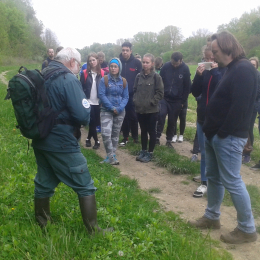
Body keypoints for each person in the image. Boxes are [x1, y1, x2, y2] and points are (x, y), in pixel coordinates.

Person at [32, 47, 112, 234]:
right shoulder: (67, 79)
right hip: (61, 140)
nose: (78, 67)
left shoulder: (42, 74)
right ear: (71, 61)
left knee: (44, 181)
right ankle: (93, 229)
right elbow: (82, 114)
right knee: (84, 183)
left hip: (40, 138)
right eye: (78, 63)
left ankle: (43, 223)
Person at [189, 31, 258, 244]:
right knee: (215, 178)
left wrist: (222, 134)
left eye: (216, 51)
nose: (214, 56)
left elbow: (241, 107)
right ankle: (212, 217)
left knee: (232, 181)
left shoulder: (244, 69)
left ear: (227, 48)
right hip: (215, 134)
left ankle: (247, 229)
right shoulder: (231, 69)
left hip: (227, 137)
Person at [191, 46, 225, 198]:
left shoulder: (224, 71)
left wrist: (215, 71)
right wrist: (198, 76)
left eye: (212, 58)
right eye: (206, 59)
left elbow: (221, 90)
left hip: (217, 120)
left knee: (217, 153)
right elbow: (195, 92)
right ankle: (204, 182)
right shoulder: (202, 72)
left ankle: (216, 181)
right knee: (204, 152)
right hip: (202, 117)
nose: (209, 62)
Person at [156, 52, 191, 148]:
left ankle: (169, 140)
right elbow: (159, 80)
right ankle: (157, 137)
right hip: (164, 97)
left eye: (176, 63)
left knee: (172, 120)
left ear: (181, 61)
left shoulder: (185, 69)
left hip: (177, 100)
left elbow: (187, 87)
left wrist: (183, 101)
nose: (174, 65)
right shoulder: (166, 66)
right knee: (161, 115)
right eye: (172, 63)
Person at [133, 53, 164, 162]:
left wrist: (152, 102)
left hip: (152, 110)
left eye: (147, 62)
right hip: (140, 110)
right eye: (143, 62)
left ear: (152, 64)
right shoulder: (138, 76)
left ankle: (150, 153)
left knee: (152, 131)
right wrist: (136, 100)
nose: (145, 64)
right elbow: (135, 90)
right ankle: (143, 150)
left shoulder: (156, 77)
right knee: (143, 131)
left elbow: (160, 93)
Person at [98, 58, 129, 164]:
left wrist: (119, 108)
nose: (113, 68)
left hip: (120, 111)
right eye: (111, 66)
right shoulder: (104, 79)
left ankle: (111, 157)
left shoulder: (123, 81)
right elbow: (101, 95)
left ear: (119, 68)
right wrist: (111, 108)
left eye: (115, 66)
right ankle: (111, 157)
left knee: (115, 134)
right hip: (106, 110)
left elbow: (126, 97)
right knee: (106, 133)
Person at [119, 42, 142, 146]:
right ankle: (125, 137)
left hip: (132, 94)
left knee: (133, 116)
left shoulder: (136, 63)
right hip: (119, 94)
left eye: (127, 50)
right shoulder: (118, 62)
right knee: (123, 117)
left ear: (130, 51)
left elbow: (141, 78)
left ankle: (135, 137)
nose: (125, 52)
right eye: (123, 50)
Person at [80, 53, 104, 149]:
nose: (92, 62)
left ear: (97, 60)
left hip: (98, 101)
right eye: (90, 61)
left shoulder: (102, 73)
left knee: (95, 122)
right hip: (88, 101)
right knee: (92, 121)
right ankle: (97, 141)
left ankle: (88, 139)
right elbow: (81, 87)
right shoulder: (85, 73)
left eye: (93, 60)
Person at [243, 57, 260, 164]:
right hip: (243, 106)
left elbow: (258, 92)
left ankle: (247, 153)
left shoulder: (258, 76)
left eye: (254, 65)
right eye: (250, 64)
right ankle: (241, 149)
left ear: (257, 66)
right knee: (242, 127)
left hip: (252, 107)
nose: (252, 66)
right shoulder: (245, 75)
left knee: (249, 128)